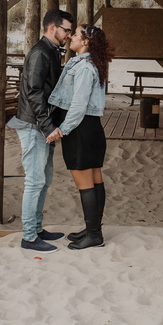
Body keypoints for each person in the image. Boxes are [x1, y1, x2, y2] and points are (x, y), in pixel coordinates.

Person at [8, 8, 74, 252]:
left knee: (44, 180)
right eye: (66, 30)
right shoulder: (40, 53)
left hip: (43, 125)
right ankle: (28, 237)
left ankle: (36, 228)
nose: (69, 35)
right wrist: (48, 127)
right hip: (34, 125)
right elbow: (34, 93)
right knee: (35, 181)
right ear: (52, 27)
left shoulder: (51, 51)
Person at [45, 24, 113, 250]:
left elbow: (78, 105)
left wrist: (62, 129)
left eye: (75, 34)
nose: (71, 36)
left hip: (80, 129)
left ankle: (94, 235)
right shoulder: (92, 63)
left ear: (86, 42)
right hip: (91, 128)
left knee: (85, 184)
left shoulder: (84, 67)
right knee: (95, 179)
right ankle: (94, 229)